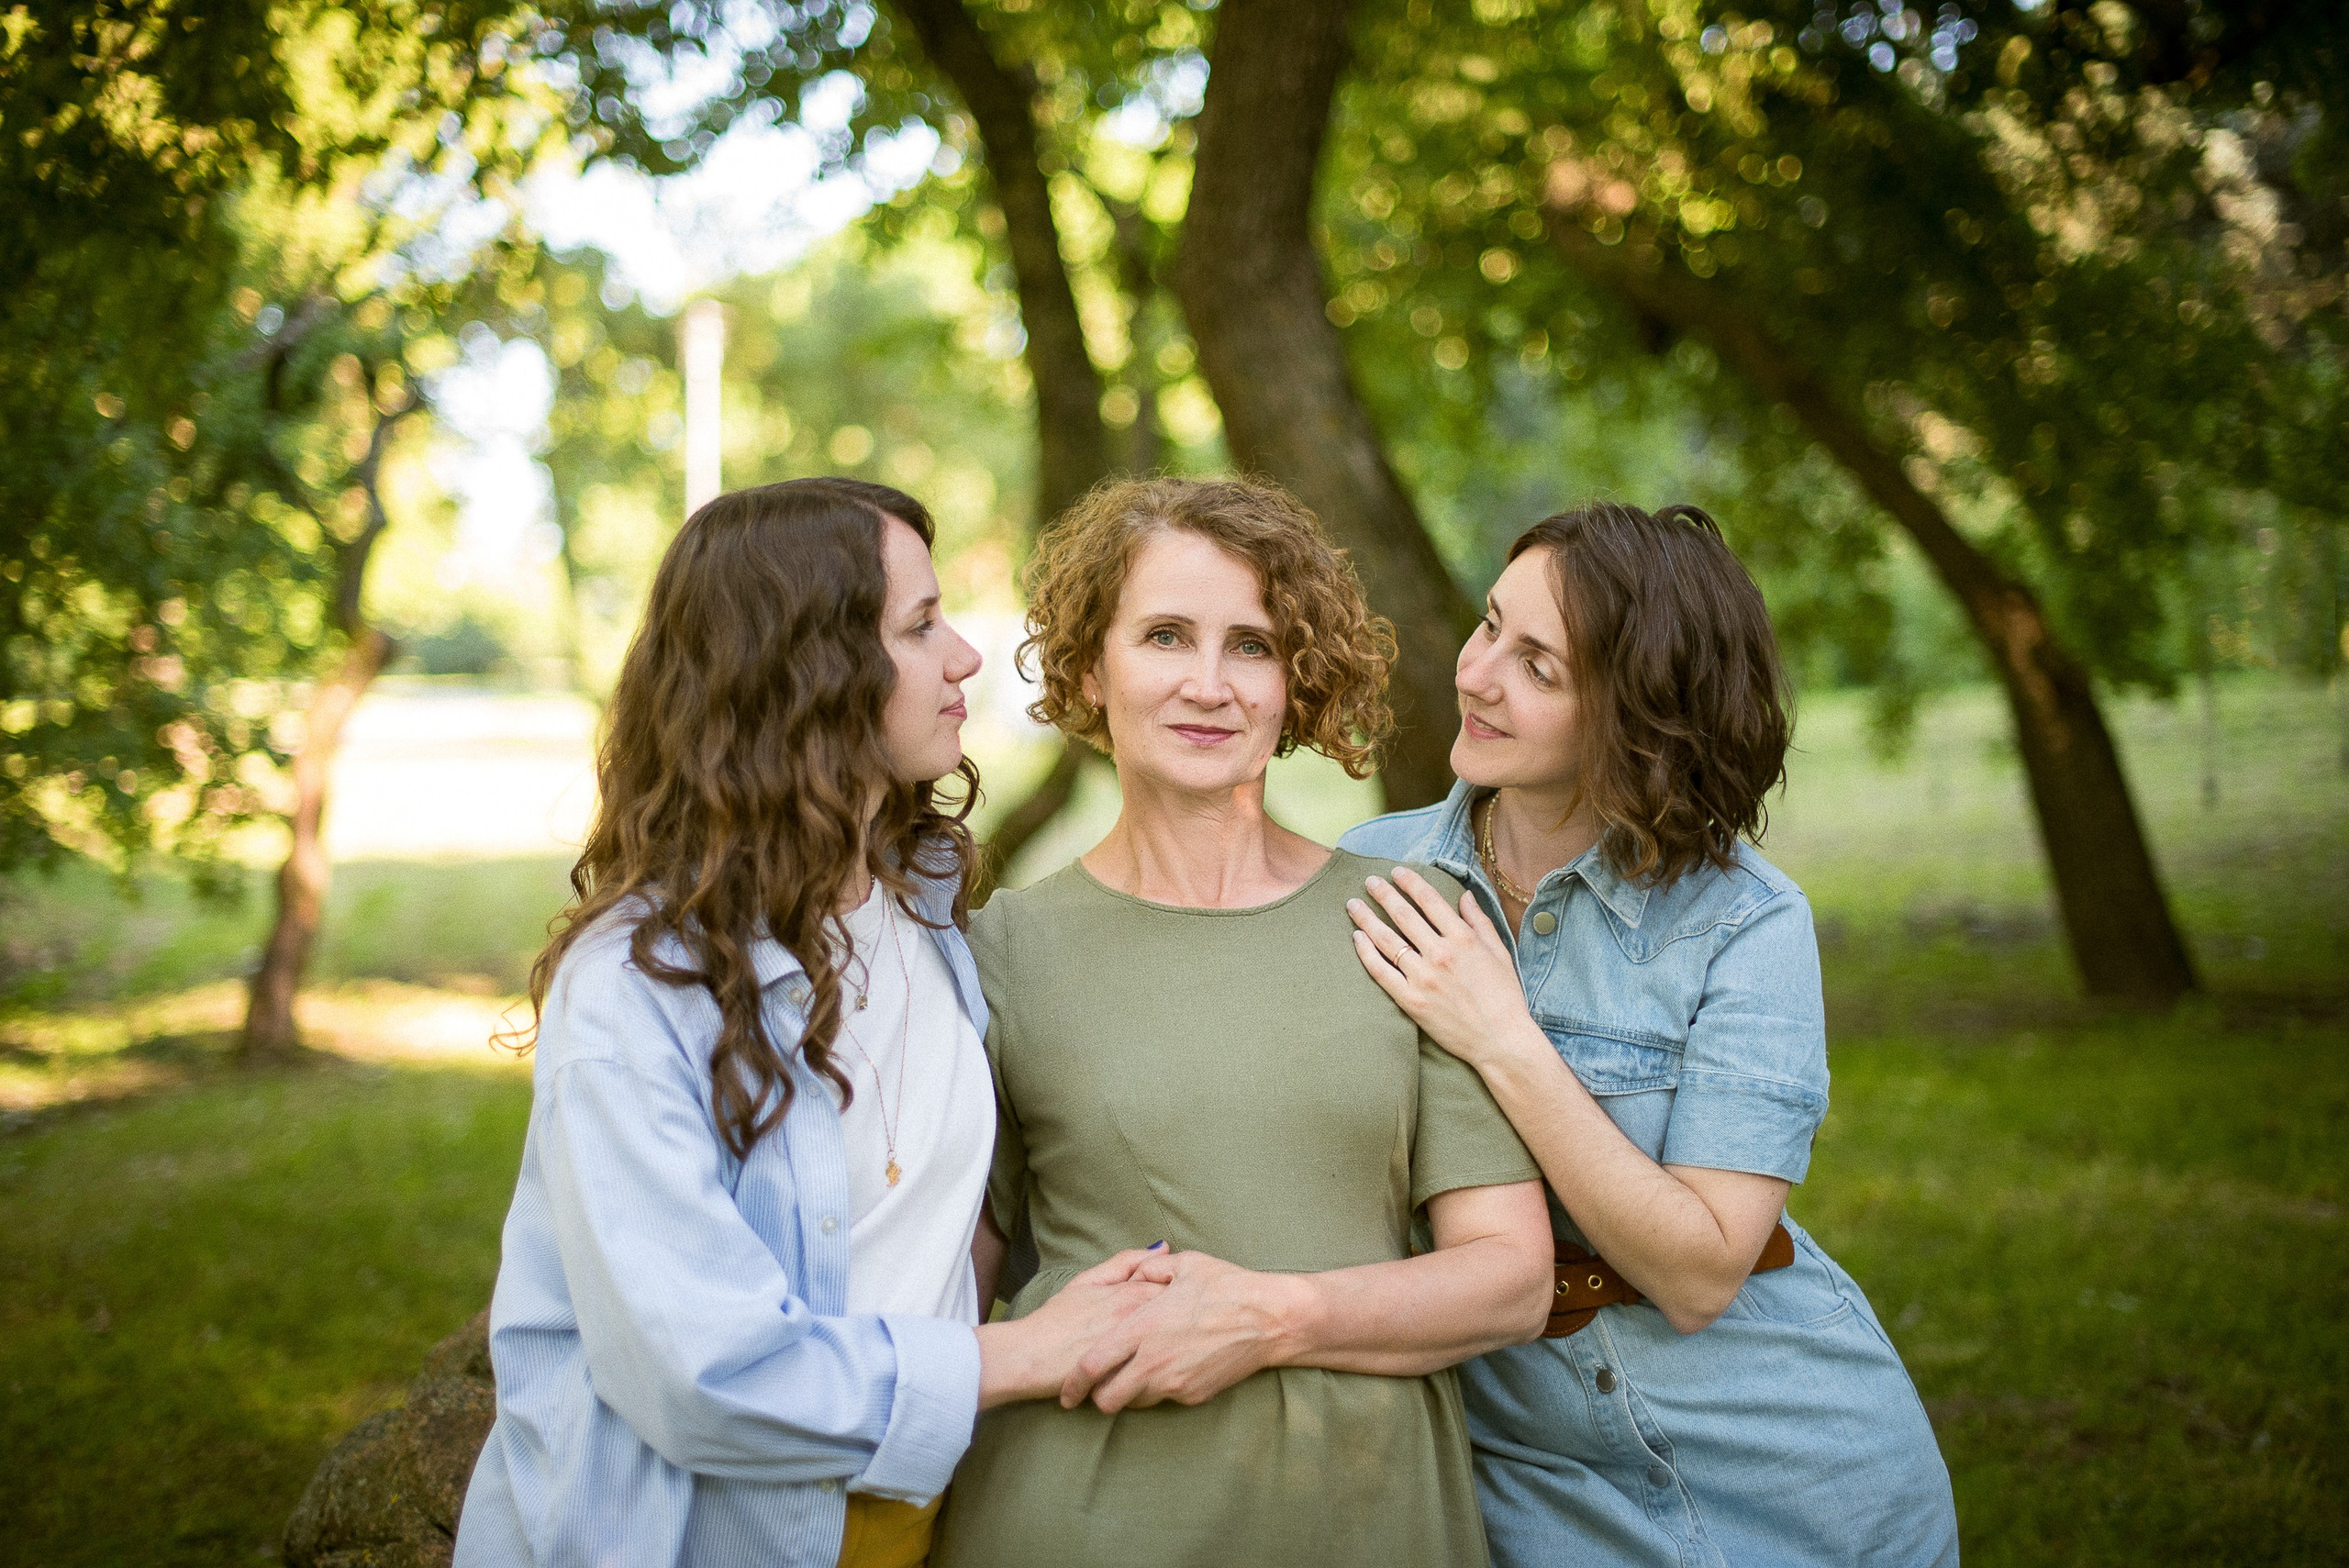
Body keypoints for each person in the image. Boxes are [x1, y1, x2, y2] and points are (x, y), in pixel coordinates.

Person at [452, 478, 1162, 1568]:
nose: (966, 656)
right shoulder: (637, 993)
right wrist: (1013, 1356)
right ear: (808, 674)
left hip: (919, 1523)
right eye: (920, 626)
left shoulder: (924, 904)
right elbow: (704, 1372)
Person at [932, 476, 1554, 1568]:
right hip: (1074, 1518)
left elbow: (1510, 1278)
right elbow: (941, 1301)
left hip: (1365, 1519)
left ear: (1295, 680)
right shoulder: (999, 950)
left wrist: (1269, 1315)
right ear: (1090, 666)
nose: (1209, 685)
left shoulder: (1410, 920)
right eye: (1165, 635)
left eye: (1253, 646)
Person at [1339, 501, 1961, 1568]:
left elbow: (1703, 1270)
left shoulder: (1746, 923)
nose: (1478, 673)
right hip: (1528, 1469)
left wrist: (1504, 1038)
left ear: (1636, 716)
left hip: (1787, 1457)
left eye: (1539, 666)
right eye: (1490, 626)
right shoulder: (1370, 876)